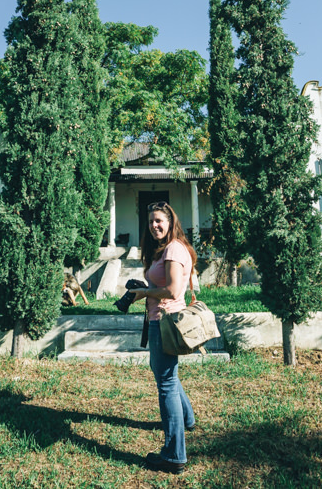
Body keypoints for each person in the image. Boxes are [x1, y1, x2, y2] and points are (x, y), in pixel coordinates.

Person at [129, 200, 197, 474]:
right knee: (167, 375)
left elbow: (171, 290)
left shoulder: (173, 249)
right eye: (150, 222)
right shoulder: (168, 248)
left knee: (166, 383)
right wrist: (144, 291)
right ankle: (187, 419)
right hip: (162, 319)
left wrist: (145, 293)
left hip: (165, 321)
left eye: (159, 220)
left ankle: (174, 455)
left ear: (170, 222)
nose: (154, 225)